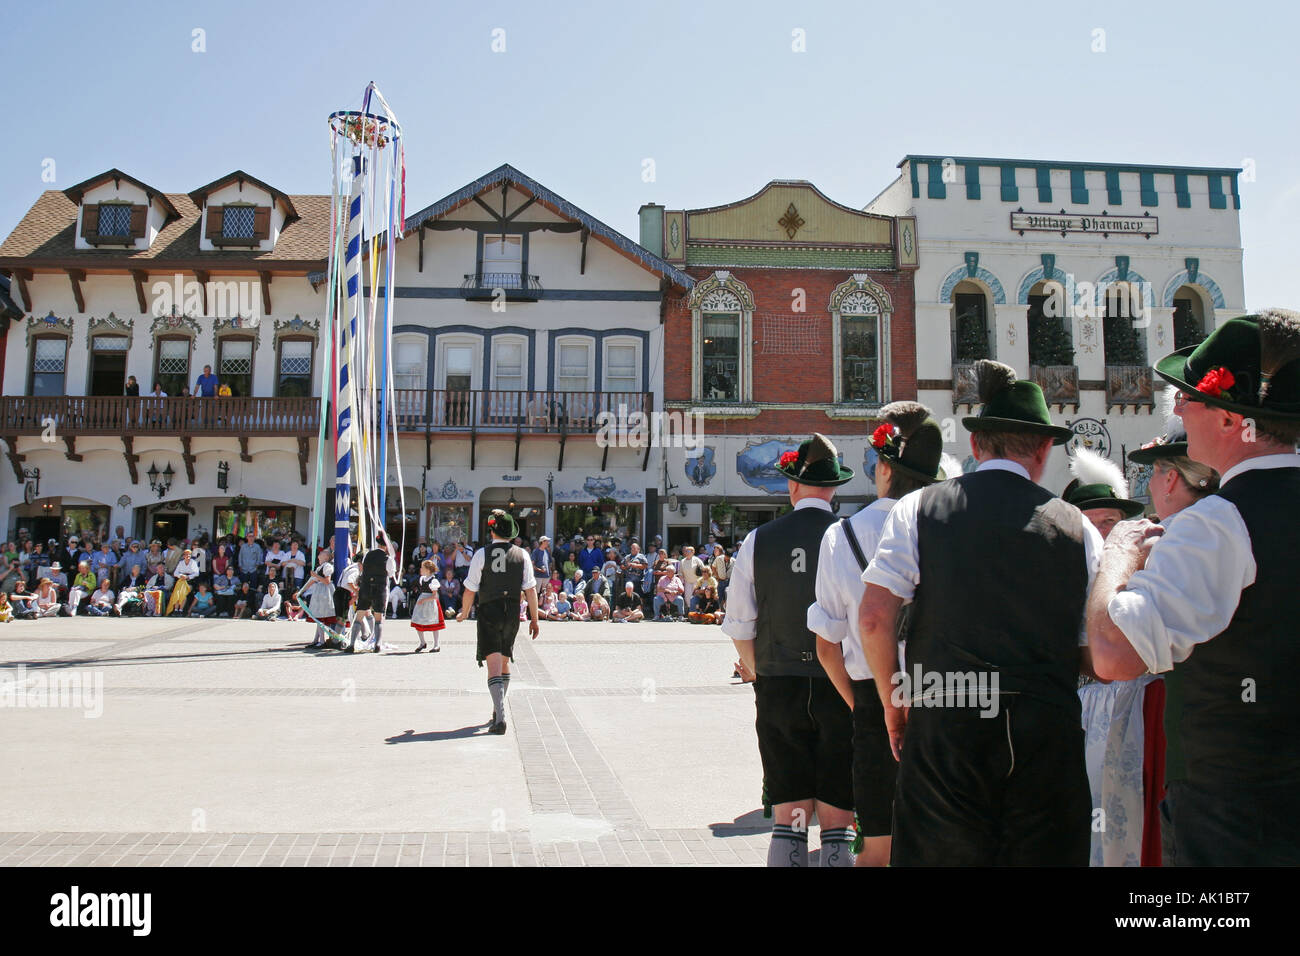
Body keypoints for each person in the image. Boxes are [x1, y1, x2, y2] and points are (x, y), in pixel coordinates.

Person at [859, 361, 1099, 866]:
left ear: (975, 445)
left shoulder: (918, 508)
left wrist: (893, 702)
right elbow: (1093, 653)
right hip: (1044, 729)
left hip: (946, 719)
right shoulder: (1078, 527)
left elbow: (875, 618)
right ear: (1042, 450)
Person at [1087, 309, 1300, 865]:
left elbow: (1113, 655)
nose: (1178, 407)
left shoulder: (1222, 522)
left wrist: (1116, 557)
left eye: (1192, 397)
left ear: (1232, 420)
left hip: (1237, 814)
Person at [808, 402, 951, 867]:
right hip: (948, 695)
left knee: (876, 850)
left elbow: (828, 646)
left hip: (873, 699)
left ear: (884, 467)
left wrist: (864, 705)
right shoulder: (952, 527)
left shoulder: (841, 535)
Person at [723, 432, 858, 867]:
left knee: (790, 819)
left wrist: (758, 669)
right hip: (842, 684)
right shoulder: (851, 537)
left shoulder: (759, 539)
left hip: (780, 680)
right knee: (838, 819)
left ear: (792, 486)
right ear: (834, 488)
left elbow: (740, 623)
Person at [1124, 390, 1219, 867]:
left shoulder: (1176, 541)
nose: (1151, 483)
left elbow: (1113, 656)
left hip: (1196, 746)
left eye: (1157, 471)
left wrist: (1120, 563)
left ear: (1175, 479)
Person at [1062, 446, 1153, 868]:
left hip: (1129, 706)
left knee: (1124, 810)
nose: (1101, 530)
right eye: (1092, 522)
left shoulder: (1139, 571)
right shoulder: (1059, 572)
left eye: (1110, 521)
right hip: (1075, 707)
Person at [456, 510, 540, 735]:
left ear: (491, 530)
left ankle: (501, 716)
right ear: (511, 533)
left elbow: (470, 589)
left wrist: (464, 613)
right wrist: (534, 619)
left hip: (489, 611)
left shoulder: (482, 554)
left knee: (493, 665)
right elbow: (530, 590)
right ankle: (496, 710)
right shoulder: (522, 554)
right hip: (512, 611)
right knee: (504, 662)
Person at [346, 531, 397, 653]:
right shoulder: (388, 559)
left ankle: (352, 644)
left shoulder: (367, 555)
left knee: (359, 616)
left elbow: (363, 569)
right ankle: (377, 644)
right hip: (380, 588)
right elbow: (390, 574)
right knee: (379, 617)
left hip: (366, 587)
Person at [410, 559, 446, 653]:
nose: (421, 569)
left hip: (430, 602)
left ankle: (436, 644)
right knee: (418, 621)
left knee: (434, 623)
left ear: (428, 570)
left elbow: (434, 595)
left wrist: (424, 600)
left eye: (423, 568)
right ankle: (422, 642)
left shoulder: (433, 580)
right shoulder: (422, 579)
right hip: (422, 601)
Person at [300, 563, 339, 649]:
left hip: (325, 592)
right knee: (318, 616)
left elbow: (327, 581)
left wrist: (316, 576)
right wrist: (301, 591)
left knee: (320, 617)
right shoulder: (320, 567)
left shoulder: (327, 566)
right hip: (319, 591)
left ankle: (322, 641)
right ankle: (317, 640)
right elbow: (312, 580)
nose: (319, 555)